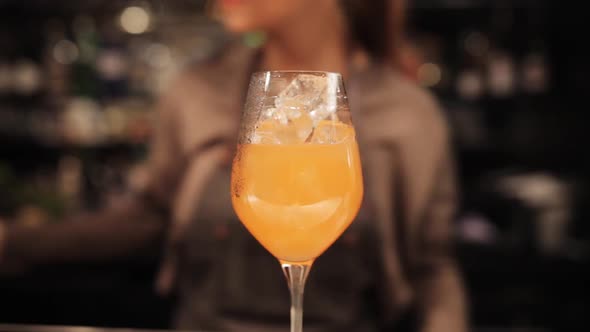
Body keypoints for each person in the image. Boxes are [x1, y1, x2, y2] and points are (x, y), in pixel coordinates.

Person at [0, 0, 467, 331]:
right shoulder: (197, 90)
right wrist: (17, 242)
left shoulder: (408, 114)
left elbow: (431, 269)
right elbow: (149, 217)